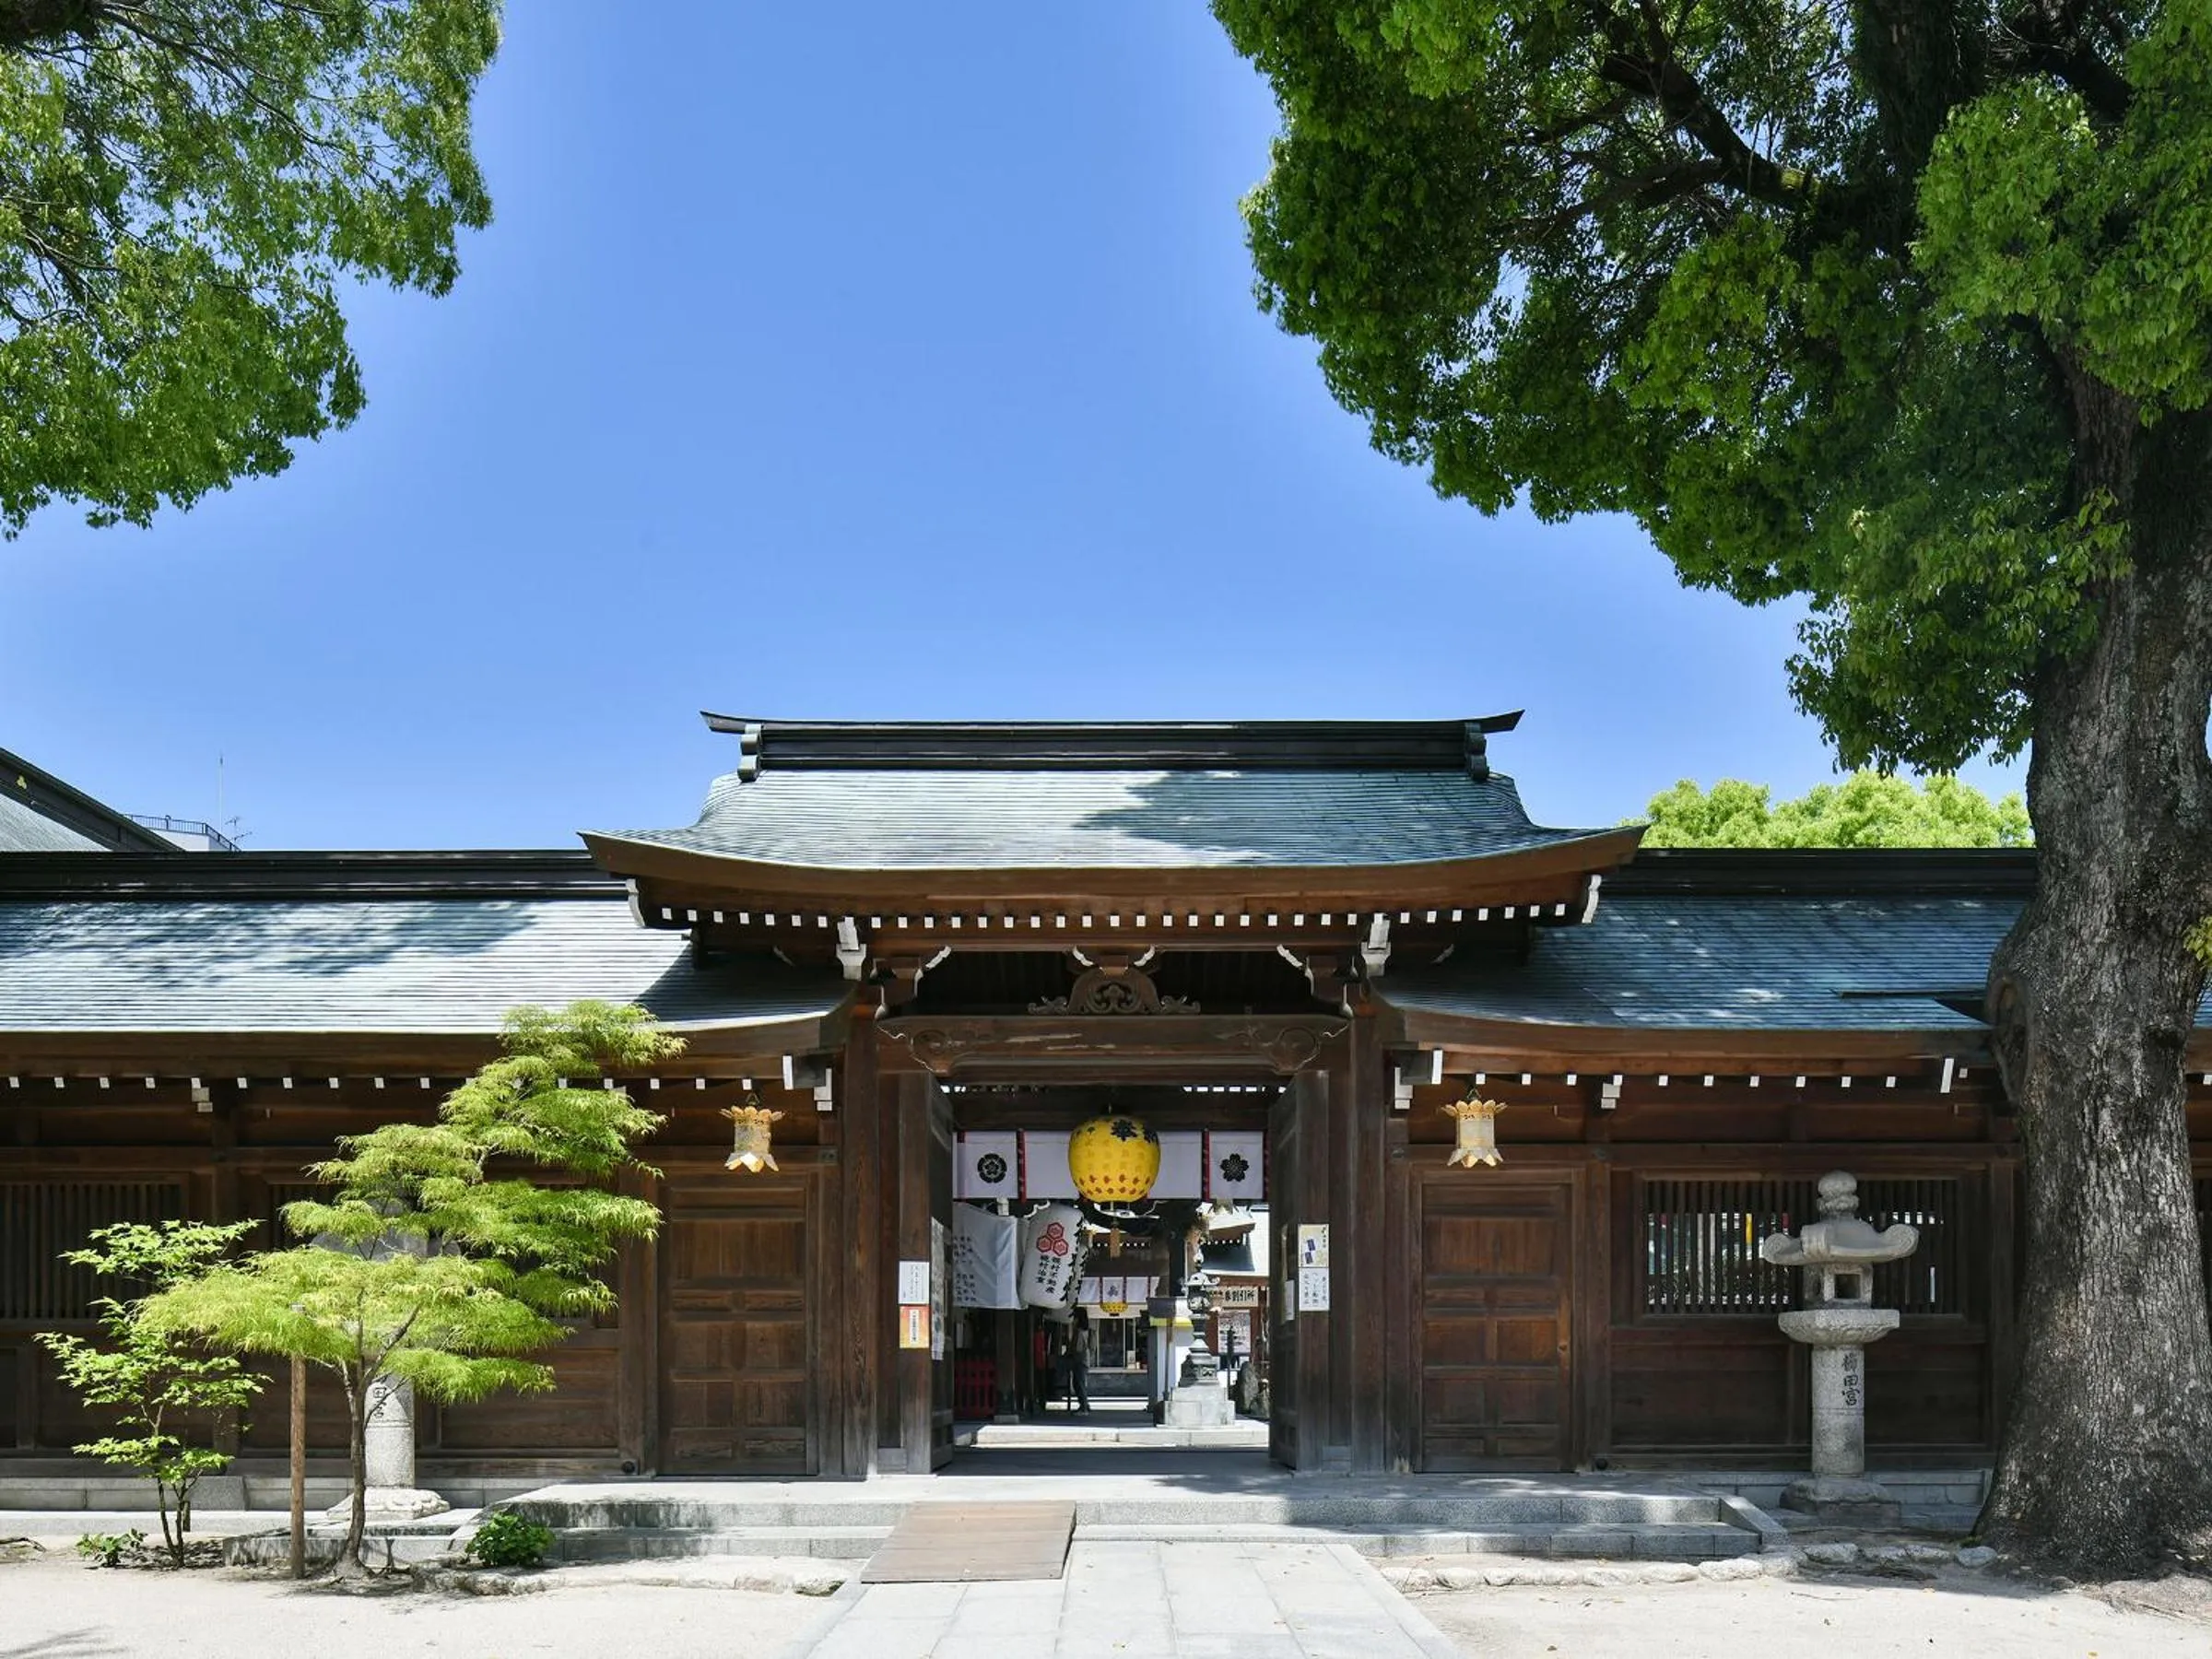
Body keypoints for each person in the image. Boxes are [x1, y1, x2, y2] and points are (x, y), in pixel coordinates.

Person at [1063, 1308, 1091, 1413]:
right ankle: (1084, 1405)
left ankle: (1084, 1408)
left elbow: (1077, 1349)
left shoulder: (1079, 1332)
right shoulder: (1084, 1331)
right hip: (1082, 1360)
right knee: (1079, 1383)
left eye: (1075, 1318)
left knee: (1079, 1384)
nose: (1073, 1320)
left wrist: (1068, 1355)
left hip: (1079, 1361)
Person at [1030, 1318, 1055, 1416]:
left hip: (1039, 1361)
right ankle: (1041, 1401)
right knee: (1041, 1383)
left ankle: (1040, 1401)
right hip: (1041, 1361)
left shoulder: (1039, 1335)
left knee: (1040, 1383)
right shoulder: (1043, 1335)